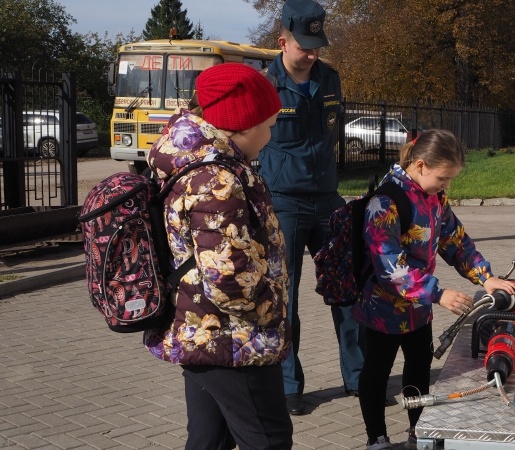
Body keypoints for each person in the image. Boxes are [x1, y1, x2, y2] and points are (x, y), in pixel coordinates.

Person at [144, 62, 293, 449]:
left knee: (209, 440)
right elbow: (229, 277)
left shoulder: (197, 163)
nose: (272, 135)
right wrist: (271, 312)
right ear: (243, 124)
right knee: (269, 440)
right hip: (234, 337)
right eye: (270, 124)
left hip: (201, 329)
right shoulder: (217, 180)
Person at [352, 129, 515, 450]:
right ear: (421, 165)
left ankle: (420, 431)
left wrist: (485, 277)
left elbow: (455, 241)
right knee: (376, 373)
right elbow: (389, 265)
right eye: (443, 178)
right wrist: (439, 294)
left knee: (418, 369)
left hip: (418, 310)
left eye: (450, 180)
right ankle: (377, 438)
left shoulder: (434, 198)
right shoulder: (385, 202)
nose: (447, 186)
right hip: (381, 311)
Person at [258, 0, 364, 416]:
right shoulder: (264, 87)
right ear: (282, 41)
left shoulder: (330, 79)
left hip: (328, 202)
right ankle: (288, 388)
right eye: (305, 45)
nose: (313, 53)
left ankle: (359, 379)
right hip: (283, 202)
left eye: (317, 44)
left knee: (348, 294)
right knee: (285, 300)